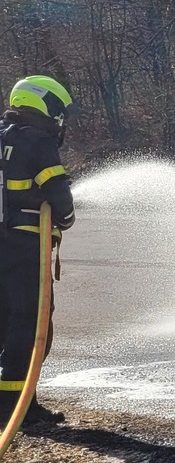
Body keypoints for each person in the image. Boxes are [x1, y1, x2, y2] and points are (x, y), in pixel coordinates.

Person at [0, 76, 74, 429]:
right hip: (26, 247)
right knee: (30, 323)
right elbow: (58, 192)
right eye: (57, 111)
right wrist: (67, 217)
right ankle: (19, 407)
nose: (58, 120)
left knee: (4, 320)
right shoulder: (37, 141)